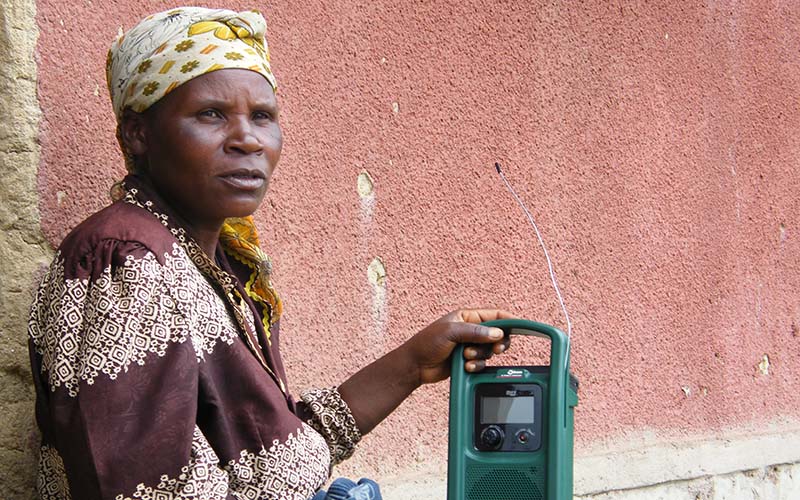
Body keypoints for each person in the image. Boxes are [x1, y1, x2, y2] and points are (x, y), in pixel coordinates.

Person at [28, 7, 512, 500]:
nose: (247, 140)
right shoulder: (126, 260)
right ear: (138, 132)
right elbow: (141, 487)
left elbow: (268, 459)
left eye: (263, 116)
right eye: (210, 114)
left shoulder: (222, 263)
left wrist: (412, 364)